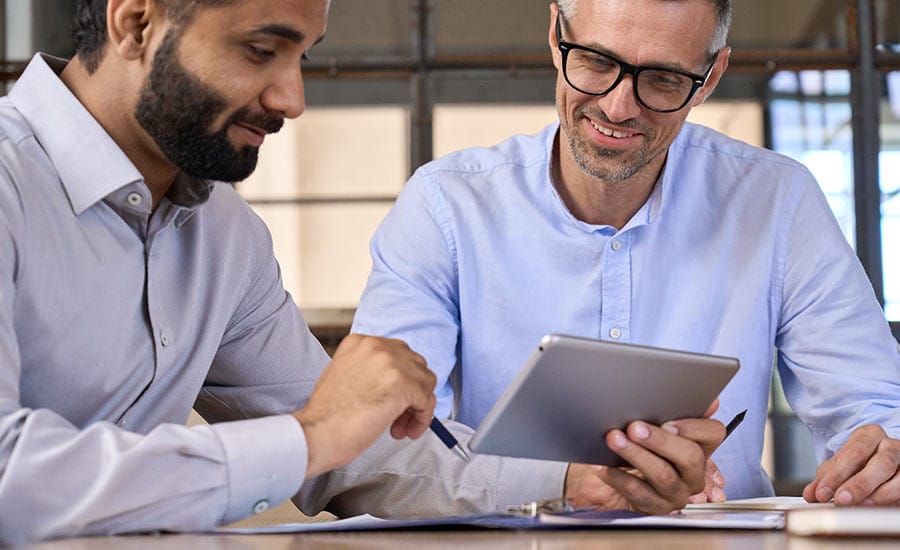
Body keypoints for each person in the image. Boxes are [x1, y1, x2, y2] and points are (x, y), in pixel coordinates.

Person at [352, 0, 900, 510]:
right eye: (594, 61)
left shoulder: (778, 201)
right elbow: (383, 441)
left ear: (710, 77)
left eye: (662, 79)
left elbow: (873, 410)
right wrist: (566, 485)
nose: (618, 107)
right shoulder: (446, 205)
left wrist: (881, 459)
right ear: (555, 36)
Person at [0, 0, 445, 544]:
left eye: (302, 55)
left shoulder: (225, 232)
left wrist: (566, 481)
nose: (292, 100)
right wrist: (309, 437)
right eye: (261, 51)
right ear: (135, 24)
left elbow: (361, 448)